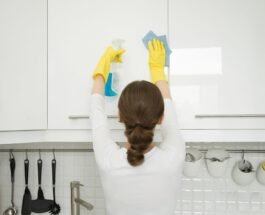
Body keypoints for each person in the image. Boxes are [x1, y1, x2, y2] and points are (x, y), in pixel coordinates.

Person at [90, 39, 186, 215]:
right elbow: (168, 105)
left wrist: (103, 64)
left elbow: (96, 107)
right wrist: (157, 70)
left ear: (119, 115)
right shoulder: (174, 157)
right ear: (160, 118)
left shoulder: (108, 160)